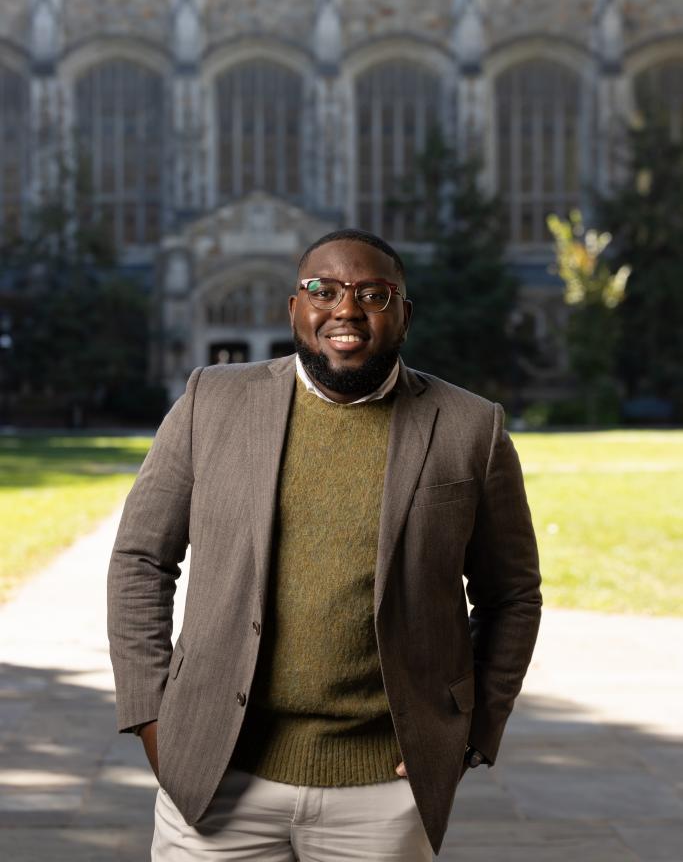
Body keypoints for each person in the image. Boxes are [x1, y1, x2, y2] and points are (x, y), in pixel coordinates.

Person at [107, 228, 542, 861]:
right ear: (295, 309)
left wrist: (474, 728)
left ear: (404, 315)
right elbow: (141, 560)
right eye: (323, 290)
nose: (346, 309)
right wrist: (152, 717)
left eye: (373, 294)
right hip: (215, 776)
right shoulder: (210, 401)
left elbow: (512, 595)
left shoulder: (471, 427)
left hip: (382, 795)